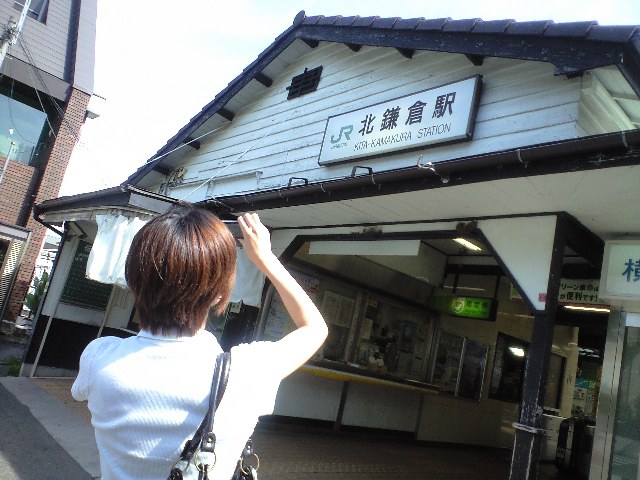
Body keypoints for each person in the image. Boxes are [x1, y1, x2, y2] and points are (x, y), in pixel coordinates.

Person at [71, 206, 328, 480]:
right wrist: (264, 258)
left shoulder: (98, 356)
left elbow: (79, 393)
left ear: (134, 278)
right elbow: (314, 327)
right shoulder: (246, 370)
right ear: (220, 292)